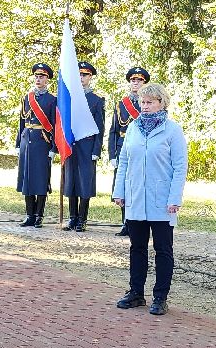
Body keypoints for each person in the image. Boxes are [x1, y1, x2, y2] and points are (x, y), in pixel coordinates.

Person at [113, 82, 187, 316]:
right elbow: (124, 161)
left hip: (162, 199)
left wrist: (175, 198)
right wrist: (119, 191)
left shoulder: (172, 130)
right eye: (142, 102)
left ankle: (160, 297)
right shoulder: (133, 128)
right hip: (136, 197)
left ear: (161, 103)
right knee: (137, 248)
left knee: (163, 249)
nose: (144, 106)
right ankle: (136, 292)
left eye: (149, 102)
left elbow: (179, 167)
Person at [62, 60, 105, 231]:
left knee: (84, 182)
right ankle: (72, 217)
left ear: (90, 77)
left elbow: (99, 128)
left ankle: (82, 219)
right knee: (71, 181)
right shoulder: (69, 97)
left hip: (87, 147)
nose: (81, 77)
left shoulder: (96, 100)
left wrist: (96, 150)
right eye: (79, 74)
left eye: (85, 75)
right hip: (72, 145)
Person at [16, 63, 58, 227]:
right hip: (27, 141)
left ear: (47, 80)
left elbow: (55, 125)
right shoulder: (27, 97)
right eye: (37, 76)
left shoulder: (52, 100)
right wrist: (18, 143)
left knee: (40, 179)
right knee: (27, 178)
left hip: (43, 143)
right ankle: (29, 214)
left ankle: (39, 215)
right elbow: (21, 122)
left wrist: (54, 148)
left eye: (42, 77)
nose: (38, 79)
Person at [108, 67, 148, 236]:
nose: (135, 83)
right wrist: (112, 154)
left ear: (144, 83)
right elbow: (113, 131)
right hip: (122, 147)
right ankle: (125, 222)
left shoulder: (148, 103)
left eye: (139, 80)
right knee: (123, 185)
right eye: (133, 80)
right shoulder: (120, 104)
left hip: (139, 149)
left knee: (138, 185)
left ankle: (138, 222)